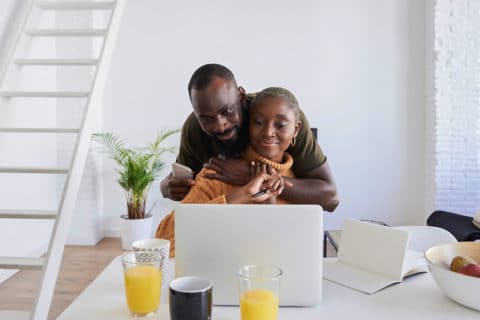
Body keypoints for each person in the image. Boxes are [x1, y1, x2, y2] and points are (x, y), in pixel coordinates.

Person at [160, 63, 339, 211]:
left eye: (227, 111)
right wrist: (166, 187)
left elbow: (331, 198)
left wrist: (254, 177)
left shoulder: (282, 115)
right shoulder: (194, 128)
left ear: (241, 96)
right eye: (207, 119)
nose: (220, 125)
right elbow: (182, 180)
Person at [157, 87, 306, 256]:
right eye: (258, 122)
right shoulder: (216, 175)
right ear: (247, 125)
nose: (268, 132)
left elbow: (288, 254)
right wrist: (239, 196)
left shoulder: (298, 181)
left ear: (295, 130)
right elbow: (162, 244)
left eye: (280, 125)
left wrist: (269, 207)